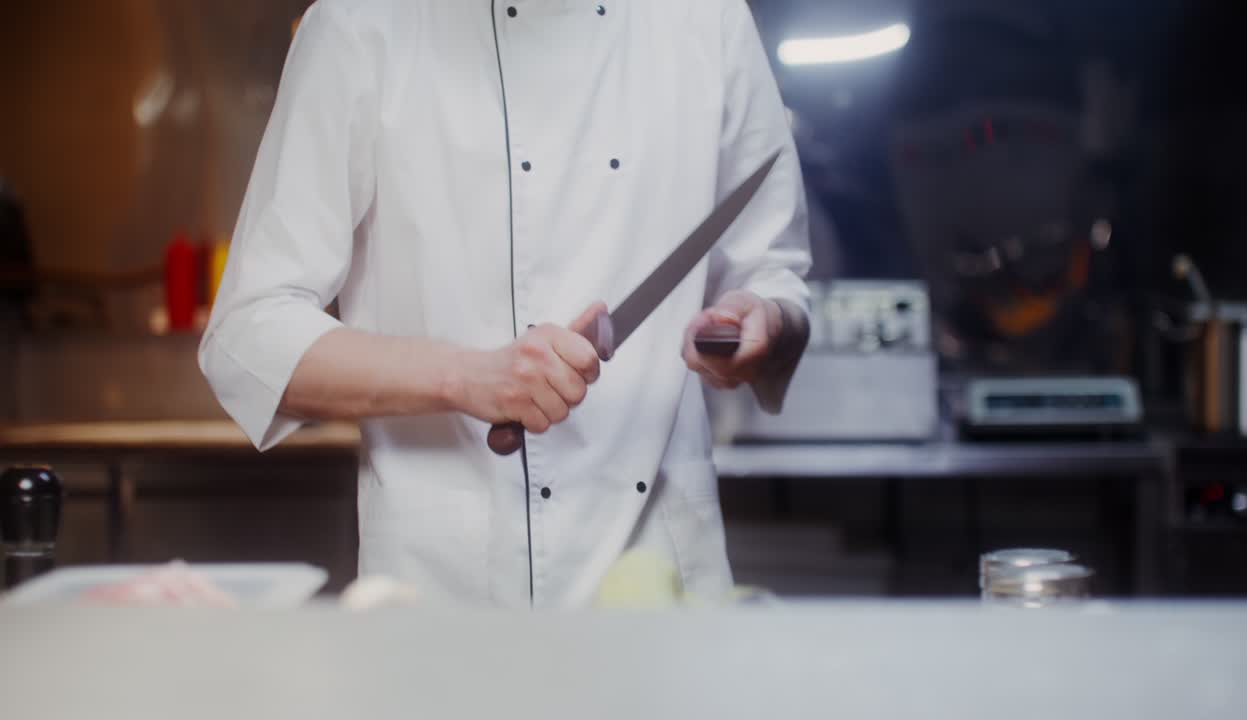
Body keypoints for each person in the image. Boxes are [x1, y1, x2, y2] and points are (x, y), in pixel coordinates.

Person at [200, 0, 811, 608]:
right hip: (440, 593)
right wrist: (467, 376)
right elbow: (249, 333)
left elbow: (773, 272)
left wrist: (764, 324)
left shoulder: (706, 19)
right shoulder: (361, 25)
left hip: (658, 579)